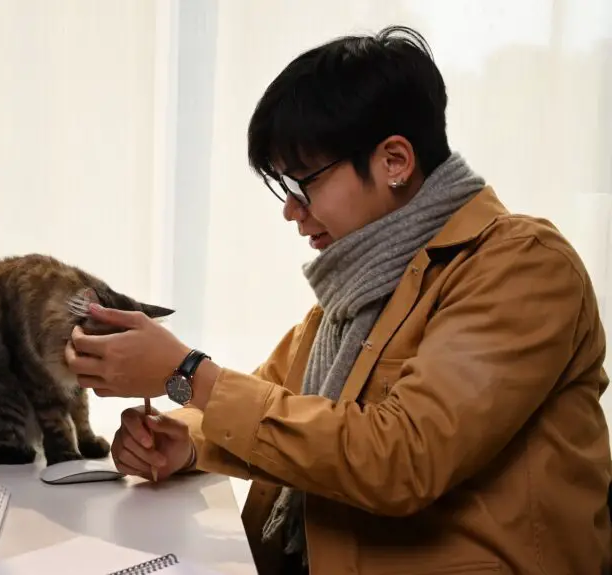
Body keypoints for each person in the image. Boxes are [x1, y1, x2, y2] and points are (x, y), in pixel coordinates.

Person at [64, 25, 612, 575]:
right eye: (284, 187)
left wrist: (183, 372)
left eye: (304, 183)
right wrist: (182, 443)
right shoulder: (361, 287)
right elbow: (274, 400)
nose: (291, 210)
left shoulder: (522, 266)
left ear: (394, 161)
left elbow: (403, 457)